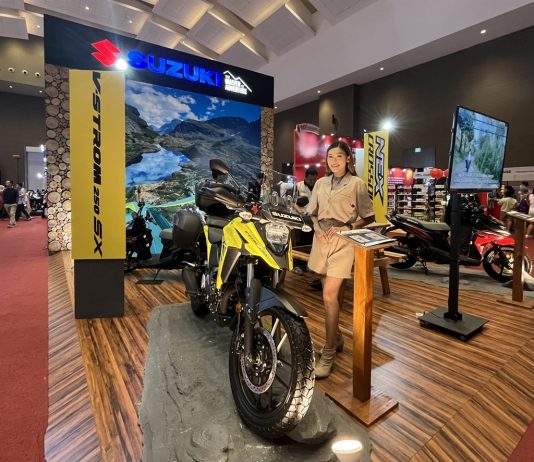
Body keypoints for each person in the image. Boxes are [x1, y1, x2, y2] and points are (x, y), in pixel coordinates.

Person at [307, 141, 375, 378]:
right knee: (332, 298)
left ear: (348, 159)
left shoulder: (357, 183)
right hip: (321, 240)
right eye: (330, 157)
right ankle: (336, 338)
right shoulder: (320, 183)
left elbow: (369, 216)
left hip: (344, 242)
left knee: (328, 296)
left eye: (338, 156)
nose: (334, 161)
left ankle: (328, 353)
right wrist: (316, 228)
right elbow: (311, 213)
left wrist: (347, 227)